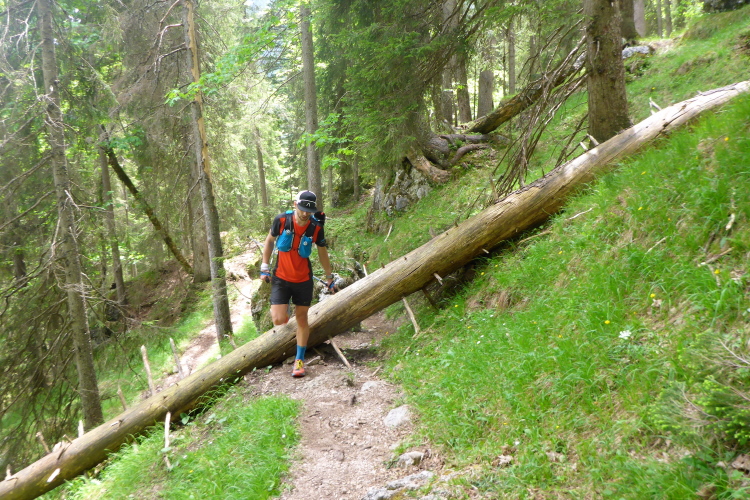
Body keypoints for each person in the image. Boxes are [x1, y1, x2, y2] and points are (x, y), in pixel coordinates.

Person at [261, 190, 335, 378]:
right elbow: (269, 241)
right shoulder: (281, 220)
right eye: (302, 209)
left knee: (302, 319)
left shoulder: (316, 227)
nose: (304, 214)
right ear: (295, 205)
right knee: (278, 320)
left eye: (309, 211)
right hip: (281, 277)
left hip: (303, 280)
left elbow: (322, 252)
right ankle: (287, 314)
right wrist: (264, 266)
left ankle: (299, 361)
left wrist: (329, 276)